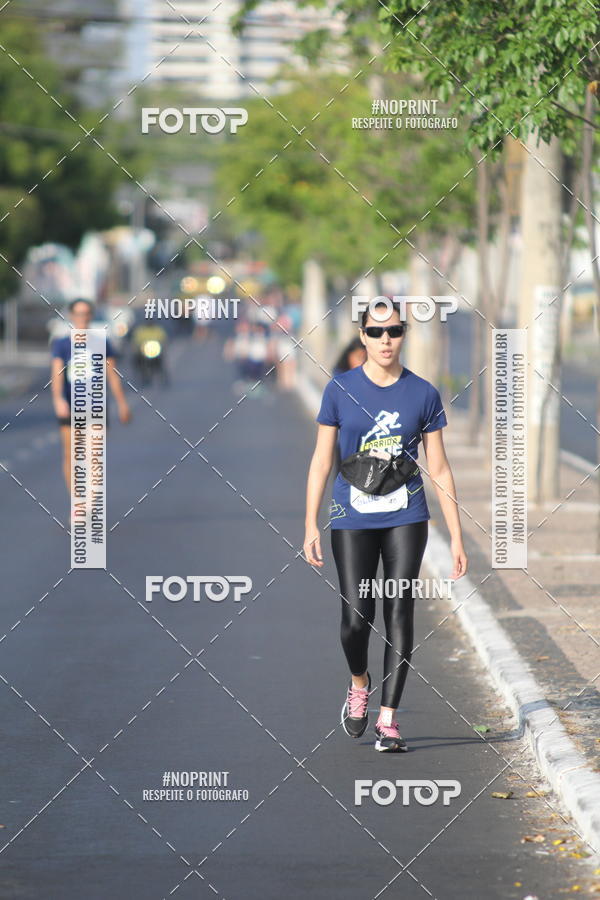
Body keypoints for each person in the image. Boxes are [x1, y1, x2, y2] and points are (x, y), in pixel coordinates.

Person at [303, 300, 467, 752]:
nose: (385, 339)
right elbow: (321, 461)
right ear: (362, 336)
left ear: (403, 334)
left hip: (405, 515)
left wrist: (456, 535)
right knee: (356, 618)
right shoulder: (340, 389)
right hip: (352, 515)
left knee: (399, 610)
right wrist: (310, 523)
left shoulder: (423, 394)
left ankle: (388, 720)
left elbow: (439, 467)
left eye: (393, 330)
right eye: (375, 332)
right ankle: (359, 683)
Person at [51, 298, 132, 495]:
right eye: (78, 314)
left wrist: (122, 404)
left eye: (86, 313)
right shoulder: (62, 344)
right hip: (71, 406)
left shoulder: (102, 343)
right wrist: (58, 400)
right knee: (71, 455)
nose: (83, 318)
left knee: (94, 455)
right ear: (72, 316)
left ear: (91, 316)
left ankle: (91, 497)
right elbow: (57, 375)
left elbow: (112, 375)